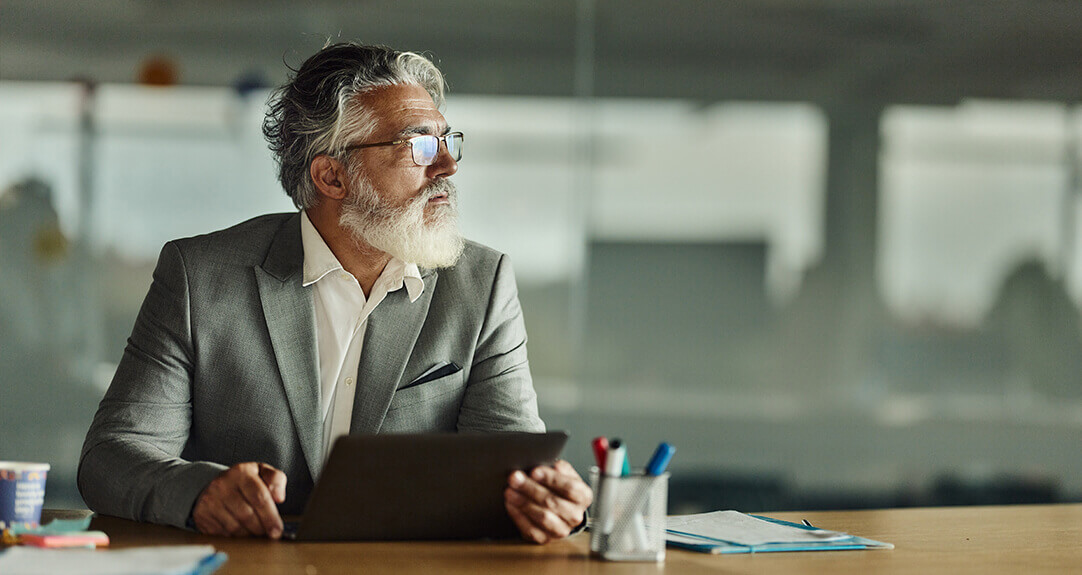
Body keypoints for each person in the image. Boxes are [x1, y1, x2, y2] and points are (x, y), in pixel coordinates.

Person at [78, 43, 592, 544]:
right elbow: (112, 457)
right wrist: (201, 494)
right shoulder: (201, 276)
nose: (447, 167)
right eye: (419, 146)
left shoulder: (481, 283)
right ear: (331, 175)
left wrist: (554, 505)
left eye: (448, 141)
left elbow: (516, 469)